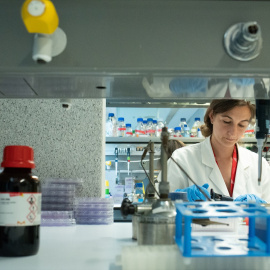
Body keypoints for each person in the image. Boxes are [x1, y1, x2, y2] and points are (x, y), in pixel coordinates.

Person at [167, 99, 270, 203]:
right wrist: (179, 197)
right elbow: (160, 207)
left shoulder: (259, 165)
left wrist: (262, 209)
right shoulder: (181, 159)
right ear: (212, 116)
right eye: (227, 121)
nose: (233, 132)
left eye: (241, 125)